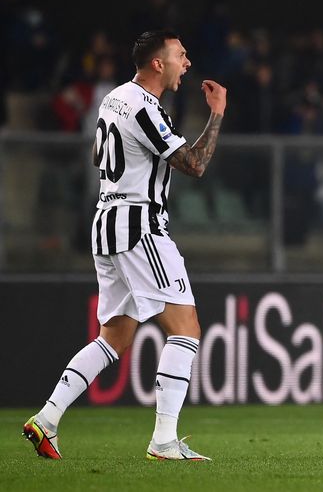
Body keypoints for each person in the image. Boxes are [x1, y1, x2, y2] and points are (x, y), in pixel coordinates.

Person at [22, 30, 227, 461]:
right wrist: (217, 115)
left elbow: (114, 156)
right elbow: (193, 164)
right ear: (158, 63)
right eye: (180, 55)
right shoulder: (145, 107)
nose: (186, 63)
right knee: (186, 328)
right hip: (139, 225)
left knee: (114, 336)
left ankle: (47, 419)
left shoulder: (113, 97)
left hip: (107, 221)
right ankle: (164, 441)